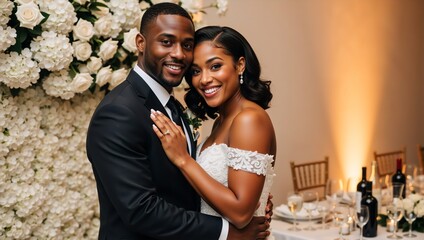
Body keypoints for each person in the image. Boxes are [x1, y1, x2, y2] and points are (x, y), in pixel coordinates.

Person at [86, 2, 271, 240]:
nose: (178, 54)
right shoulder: (118, 112)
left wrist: (255, 198)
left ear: (240, 65)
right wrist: (228, 231)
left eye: (187, 45)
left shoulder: (172, 105)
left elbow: (187, 187)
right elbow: (142, 210)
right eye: (166, 42)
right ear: (141, 43)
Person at [150, 25, 276, 234]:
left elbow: (241, 214)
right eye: (196, 71)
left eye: (215, 66)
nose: (205, 79)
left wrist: (183, 160)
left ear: (240, 65)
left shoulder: (249, 119)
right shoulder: (222, 120)